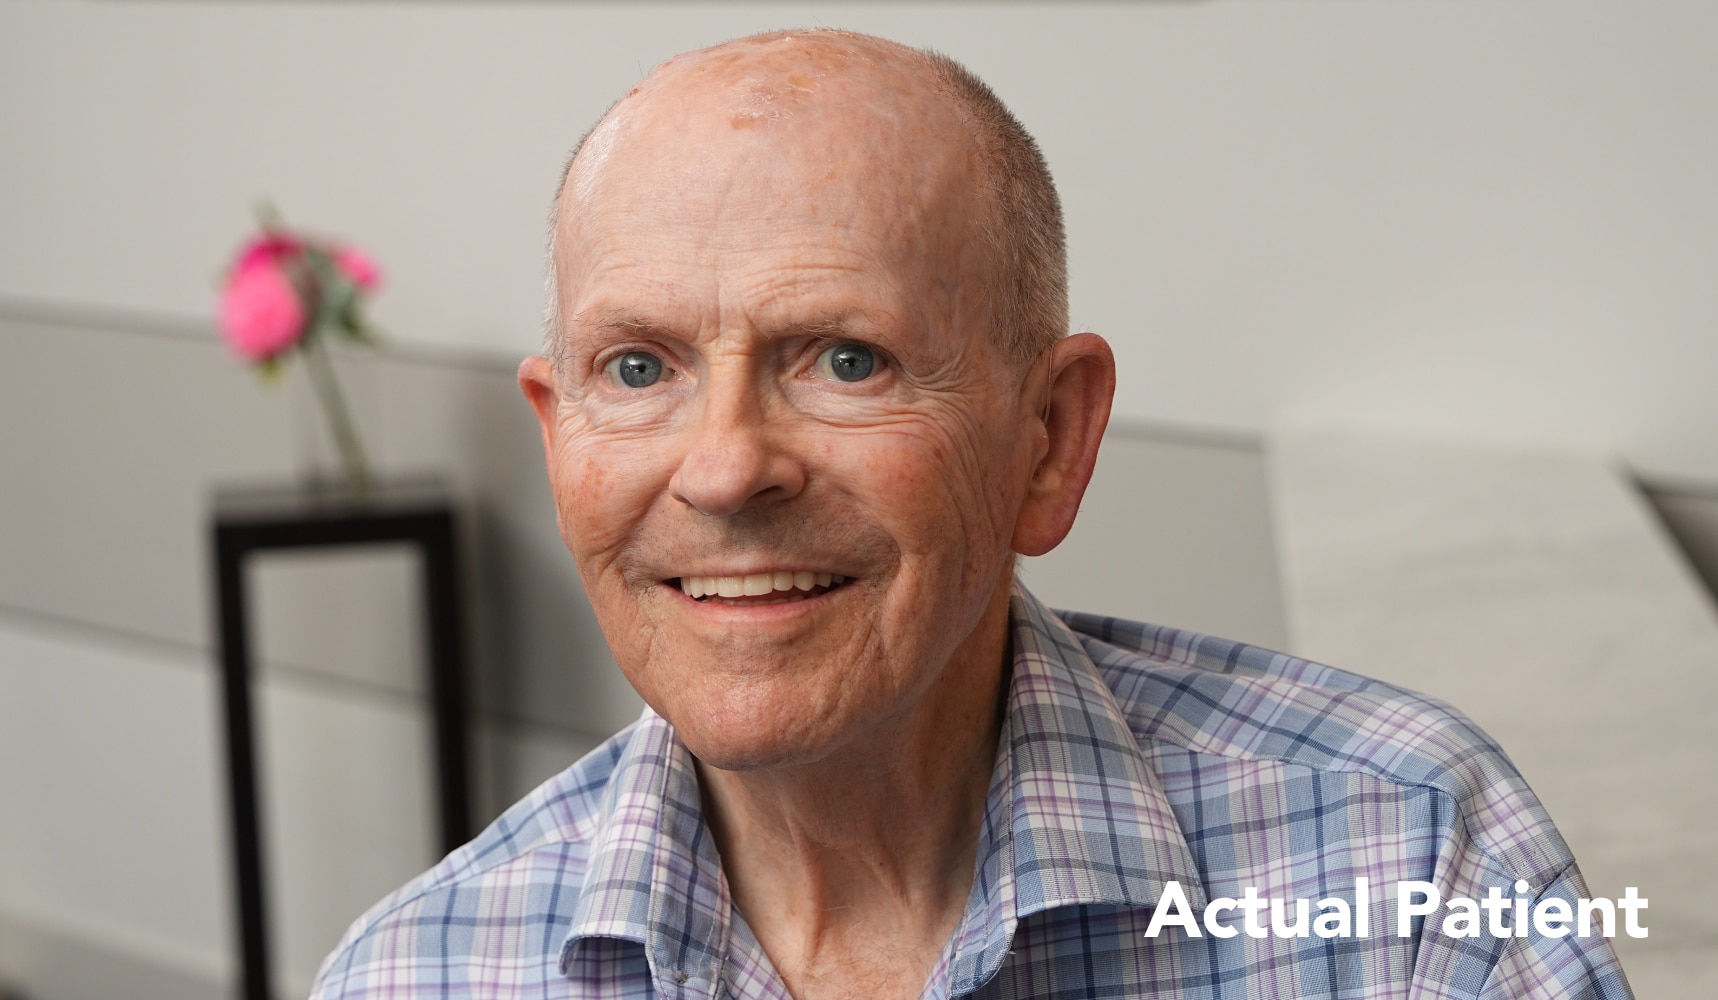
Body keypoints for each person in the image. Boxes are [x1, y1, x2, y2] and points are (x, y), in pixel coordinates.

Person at [311, 29, 1631, 1000]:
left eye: (842, 359)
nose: (722, 472)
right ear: (559, 440)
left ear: (1047, 440)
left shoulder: (1408, 871)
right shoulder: (418, 974)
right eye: (640, 370)